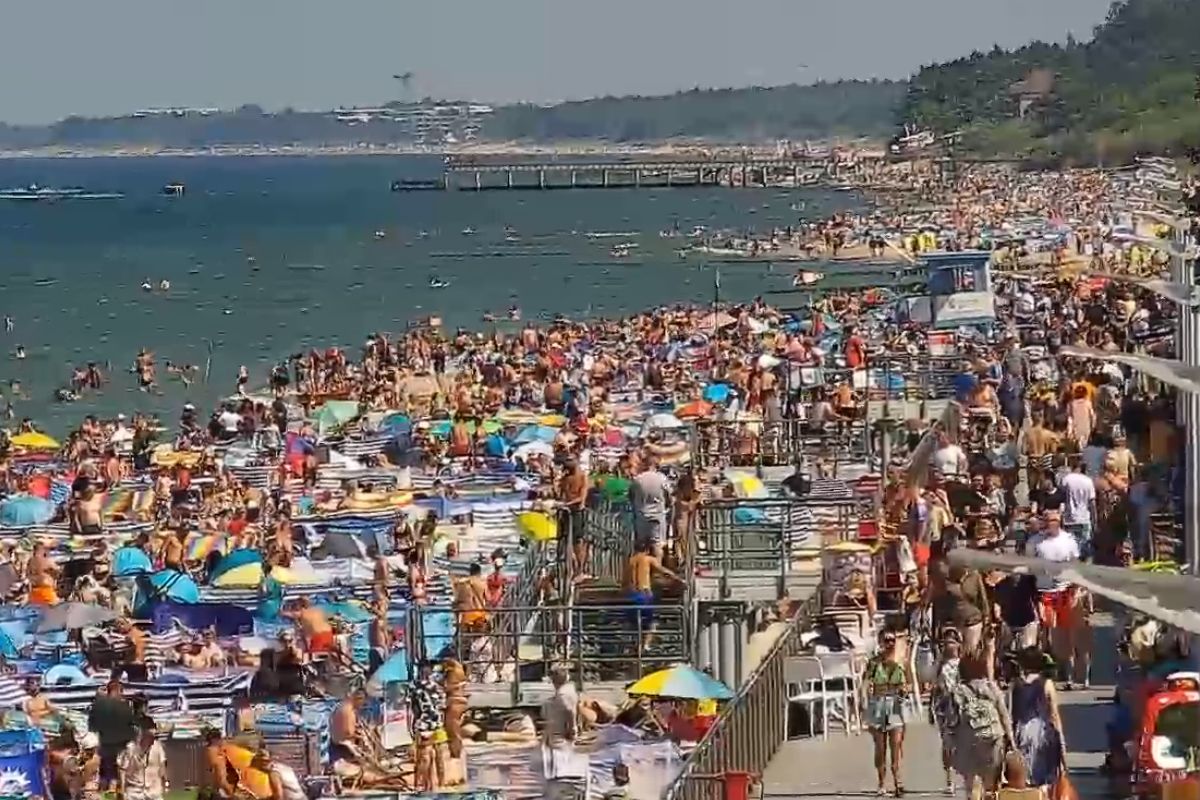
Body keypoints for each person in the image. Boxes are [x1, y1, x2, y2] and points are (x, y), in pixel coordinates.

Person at [950, 652, 1013, 800]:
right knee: (991, 785)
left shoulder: (958, 691)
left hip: (969, 738)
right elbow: (1004, 714)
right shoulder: (991, 687)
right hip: (994, 737)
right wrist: (1011, 739)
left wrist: (950, 744)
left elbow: (952, 720)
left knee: (971, 785)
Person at [1010, 647, 1067, 792]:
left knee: (1022, 778)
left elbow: (1011, 712)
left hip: (1020, 732)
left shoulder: (1015, 685)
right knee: (1043, 777)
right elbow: (1054, 714)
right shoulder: (1046, 684)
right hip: (1042, 734)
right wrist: (1061, 742)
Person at [864, 629, 910, 797]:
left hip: (895, 705)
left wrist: (905, 690)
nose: (890, 643)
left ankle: (898, 780)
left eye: (892, 640)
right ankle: (882, 782)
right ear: (881, 643)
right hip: (878, 704)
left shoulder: (900, 663)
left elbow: (908, 683)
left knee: (896, 745)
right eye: (887, 640)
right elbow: (866, 683)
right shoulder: (874, 663)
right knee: (880, 747)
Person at [622, 537, 683, 650]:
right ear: (647, 550)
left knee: (635, 624)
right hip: (644, 595)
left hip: (631, 595)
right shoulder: (647, 559)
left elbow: (624, 582)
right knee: (652, 622)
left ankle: (636, 645)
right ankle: (645, 645)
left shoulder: (630, 561)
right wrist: (677, 578)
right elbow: (663, 571)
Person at [931, 629, 963, 795]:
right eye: (946, 642)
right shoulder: (940, 664)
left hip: (962, 706)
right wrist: (932, 708)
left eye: (951, 641)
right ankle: (949, 780)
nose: (948, 645)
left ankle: (967, 777)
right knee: (947, 745)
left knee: (965, 743)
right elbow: (934, 686)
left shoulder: (963, 663)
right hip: (944, 707)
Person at [88, 678, 135, 792]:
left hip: (105, 741)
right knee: (119, 768)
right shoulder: (125, 706)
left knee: (105, 767)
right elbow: (131, 723)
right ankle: (116, 787)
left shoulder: (98, 704)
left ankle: (104, 787)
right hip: (121, 742)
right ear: (118, 690)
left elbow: (92, 724)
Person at [407, 661, 446, 791]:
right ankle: (436, 785)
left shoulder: (415, 686)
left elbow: (412, 707)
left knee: (426, 758)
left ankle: (424, 785)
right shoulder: (435, 687)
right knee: (433, 757)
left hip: (427, 724)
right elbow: (442, 706)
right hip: (431, 724)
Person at [629, 455, 670, 559]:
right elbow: (668, 494)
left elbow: (631, 495)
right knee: (657, 544)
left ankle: (640, 570)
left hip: (641, 514)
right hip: (658, 514)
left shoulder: (638, 479)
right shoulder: (661, 478)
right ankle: (657, 568)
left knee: (641, 545)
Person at [117, 718, 167, 800]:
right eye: (151, 737)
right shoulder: (130, 749)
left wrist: (165, 782)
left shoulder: (158, 747)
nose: (153, 740)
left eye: (154, 737)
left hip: (153, 791)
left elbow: (162, 765)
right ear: (143, 734)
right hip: (135, 792)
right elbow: (122, 770)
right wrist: (122, 790)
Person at [200, 728, 238, 800]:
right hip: (222, 793)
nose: (223, 741)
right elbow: (221, 779)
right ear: (216, 740)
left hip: (210, 791)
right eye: (222, 739)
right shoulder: (218, 757)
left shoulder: (206, 752)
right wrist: (231, 794)